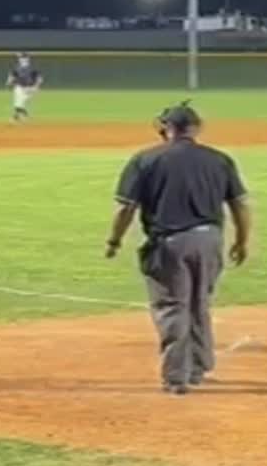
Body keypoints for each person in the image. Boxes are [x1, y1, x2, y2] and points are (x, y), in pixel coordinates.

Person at [106, 102, 252, 395]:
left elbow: (126, 208)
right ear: (196, 128)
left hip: (170, 244)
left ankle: (176, 377)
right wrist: (241, 240)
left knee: (173, 306)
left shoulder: (146, 160)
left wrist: (114, 240)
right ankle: (198, 368)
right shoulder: (219, 160)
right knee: (199, 303)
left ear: (166, 128)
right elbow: (239, 205)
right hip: (210, 240)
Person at [6, 53, 43, 123]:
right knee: (18, 103)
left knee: (20, 103)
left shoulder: (32, 68)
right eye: (21, 58)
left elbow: (40, 78)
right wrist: (9, 82)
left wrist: (36, 86)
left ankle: (20, 116)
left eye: (23, 58)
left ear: (27, 59)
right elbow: (12, 75)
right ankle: (19, 117)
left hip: (29, 88)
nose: (22, 59)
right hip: (19, 87)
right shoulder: (17, 68)